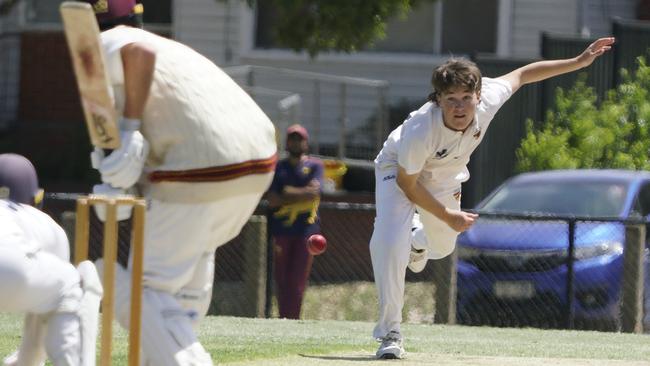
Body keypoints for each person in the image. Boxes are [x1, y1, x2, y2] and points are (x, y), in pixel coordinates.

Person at [370, 37, 616, 359]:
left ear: (478, 96)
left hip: (444, 174)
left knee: (442, 247)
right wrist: (448, 215)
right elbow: (408, 184)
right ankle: (391, 332)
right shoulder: (420, 130)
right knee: (388, 241)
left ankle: (418, 241)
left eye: (465, 98)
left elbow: (524, 74)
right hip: (399, 169)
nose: (459, 107)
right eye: (450, 100)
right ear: (438, 100)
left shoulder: (489, 98)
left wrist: (579, 62)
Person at [82, 0, 277, 364]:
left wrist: (127, 129)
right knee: (183, 283)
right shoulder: (174, 49)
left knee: (139, 287)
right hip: (257, 164)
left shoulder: (111, 42)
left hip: (198, 168)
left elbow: (135, 53)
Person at [0, 153, 103, 366]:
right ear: (33, 197)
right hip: (11, 267)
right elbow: (47, 307)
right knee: (71, 282)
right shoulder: (38, 219)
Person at [266, 124, 324, 319]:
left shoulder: (315, 166)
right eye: (292, 139)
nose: (296, 142)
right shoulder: (279, 167)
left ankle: (293, 319)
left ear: (306, 143)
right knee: (282, 279)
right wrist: (302, 193)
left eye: (299, 139)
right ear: (287, 142)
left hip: (307, 233)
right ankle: (283, 318)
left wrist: (287, 191)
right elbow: (272, 200)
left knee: (298, 280)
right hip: (281, 230)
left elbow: (314, 192)